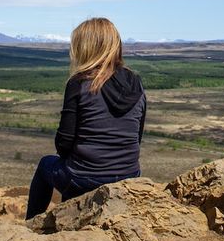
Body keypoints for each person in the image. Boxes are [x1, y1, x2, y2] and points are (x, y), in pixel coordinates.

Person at [25, 18, 146, 220]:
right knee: (75, 168)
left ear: (85, 47)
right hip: (129, 175)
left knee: (47, 164)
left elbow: (64, 144)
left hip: (85, 179)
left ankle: (31, 224)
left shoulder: (79, 83)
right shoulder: (136, 83)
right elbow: (137, 136)